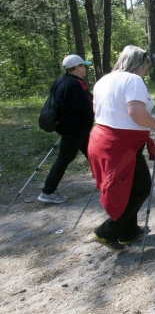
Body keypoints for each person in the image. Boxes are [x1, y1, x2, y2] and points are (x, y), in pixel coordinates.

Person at [88, 46, 155, 251]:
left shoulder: (103, 80)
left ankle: (128, 231)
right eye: (145, 68)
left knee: (128, 187)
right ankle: (107, 231)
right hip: (120, 145)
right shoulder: (133, 80)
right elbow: (137, 114)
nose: (145, 72)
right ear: (140, 64)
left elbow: (97, 110)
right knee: (141, 187)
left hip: (103, 139)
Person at [38, 55, 94, 204]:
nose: (85, 68)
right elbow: (88, 105)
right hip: (75, 129)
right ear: (76, 68)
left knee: (93, 153)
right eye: (83, 66)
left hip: (70, 127)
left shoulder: (59, 82)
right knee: (65, 158)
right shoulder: (76, 84)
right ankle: (48, 191)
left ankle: (106, 181)